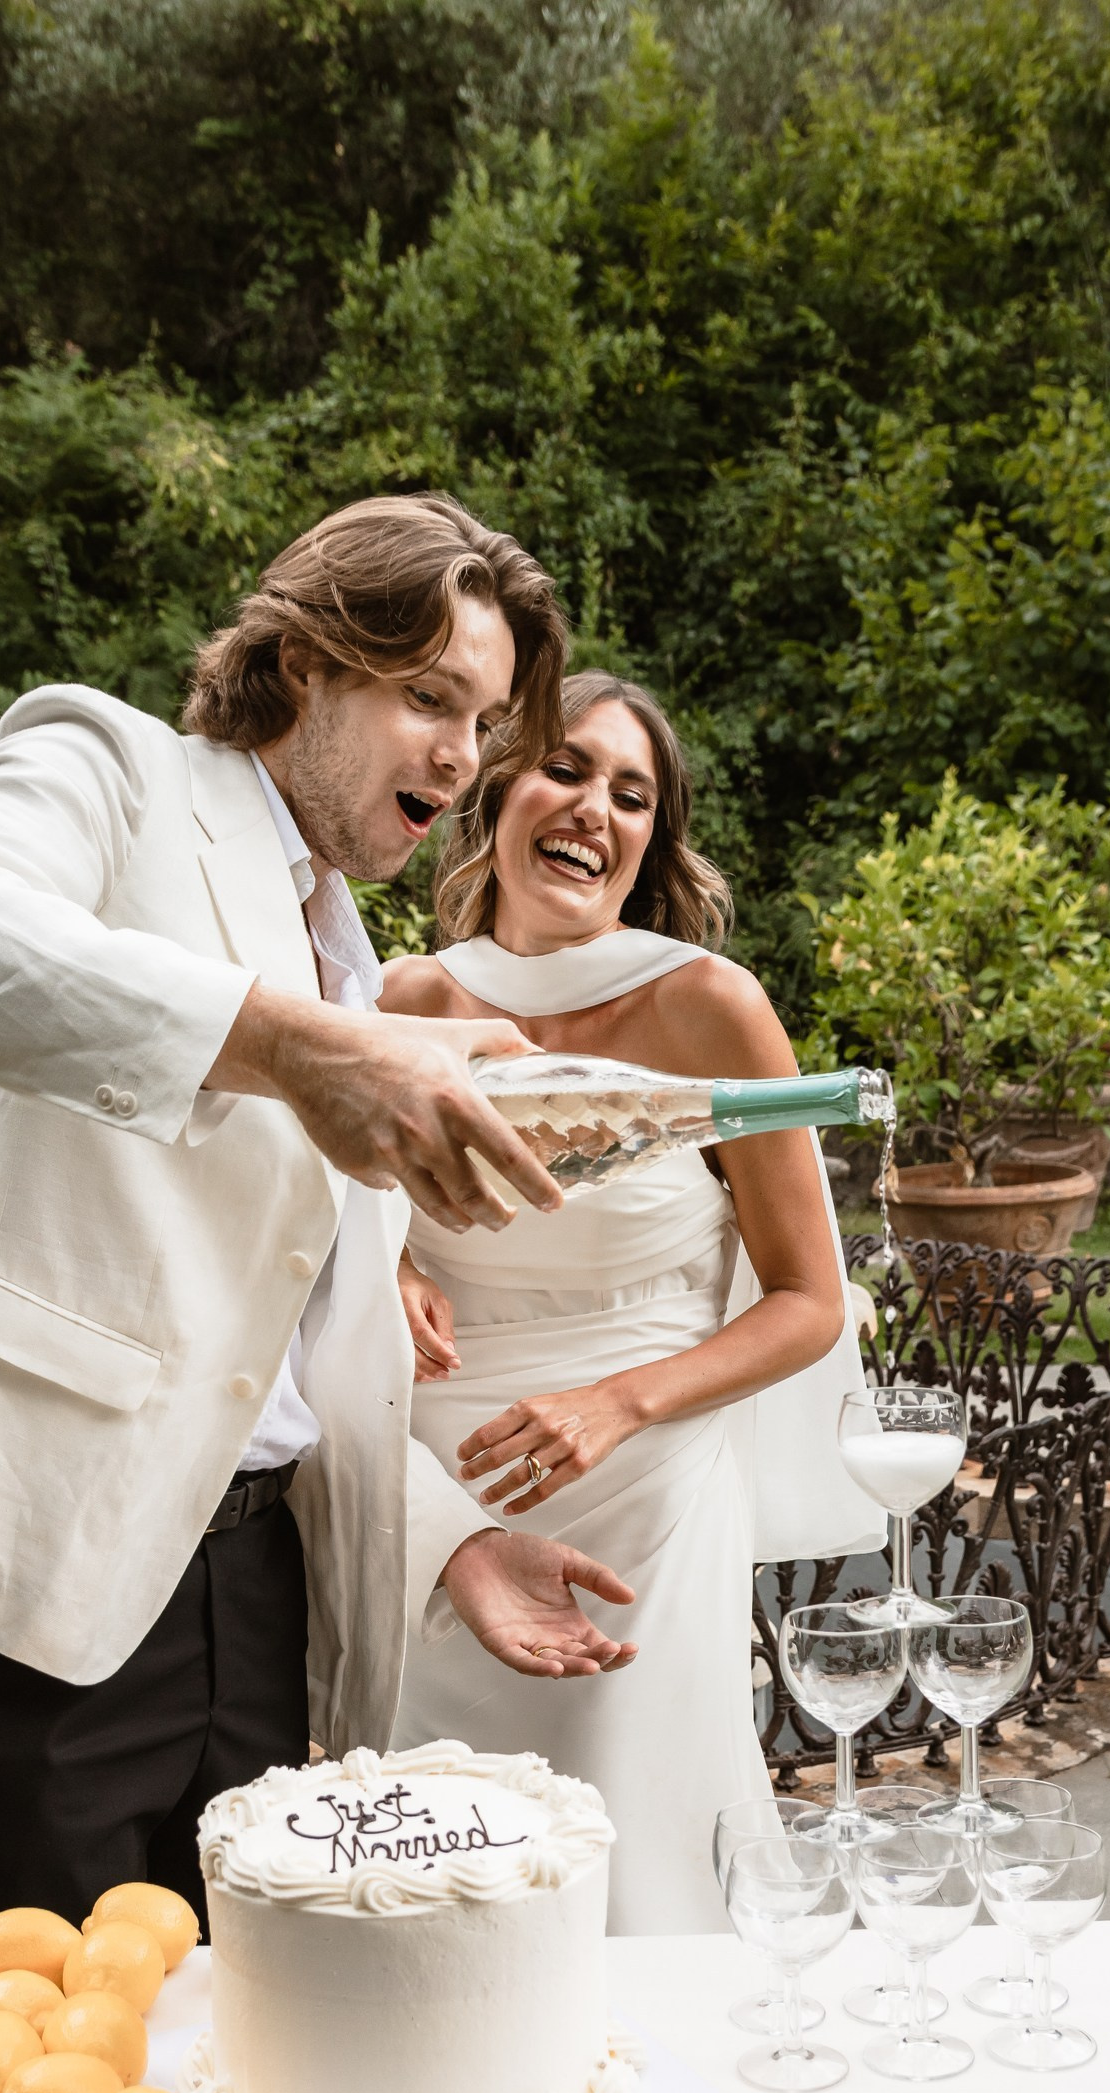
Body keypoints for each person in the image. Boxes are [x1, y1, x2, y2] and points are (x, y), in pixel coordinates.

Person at [0, 495, 638, 1931]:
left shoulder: (351, 961)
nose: (461, 756)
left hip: (266, 1587)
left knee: (238, 2024)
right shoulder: (108, 768)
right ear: (304, 663)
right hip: (40, 1553)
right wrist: (298, 1046)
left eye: (480, 721)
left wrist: (451, 1540)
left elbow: (280, 1355)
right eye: (428, 698)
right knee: (42, 2030)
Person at [381, 671, 885, 1932]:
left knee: (634, 1832)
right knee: (438, 1838)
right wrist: (387, 1261)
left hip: (648, 1476)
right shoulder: (401, 1004)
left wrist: (618, 1402)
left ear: (652, 841)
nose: (593, 809)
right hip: (439, 1482)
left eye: (631, 794)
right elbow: (312, 1212)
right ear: (496, 792)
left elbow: (808, 1299)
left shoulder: (709, 1006)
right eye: (564, 769)